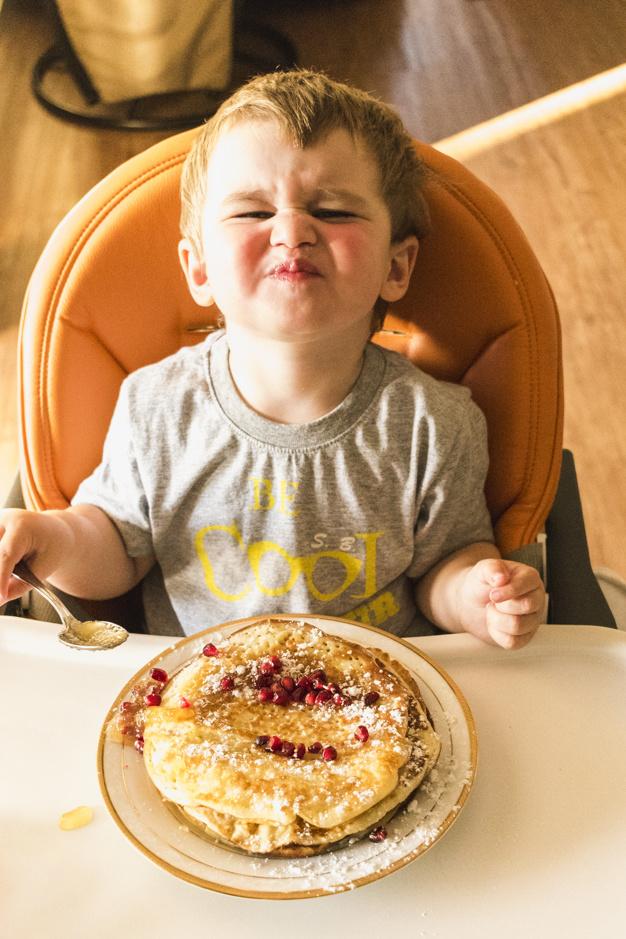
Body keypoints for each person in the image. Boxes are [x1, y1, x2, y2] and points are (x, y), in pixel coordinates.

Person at [0, 69, 545, 648]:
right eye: (252, 213)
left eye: (333, 212)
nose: (291, 230)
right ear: (199, 268)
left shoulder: (434, 424)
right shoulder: (155, 406)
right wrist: (53, 541)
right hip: (197, 703)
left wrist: (479, 595)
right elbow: (115, 548)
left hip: (373, 701)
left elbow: (446, 565)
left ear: (396, 266)